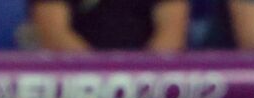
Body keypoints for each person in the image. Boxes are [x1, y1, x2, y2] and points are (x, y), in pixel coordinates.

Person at [28, 0, 189, 50]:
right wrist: (103, 82)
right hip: (78, 86)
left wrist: (140, 83)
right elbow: (54, 34)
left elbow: (171, 37)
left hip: (146, 89)